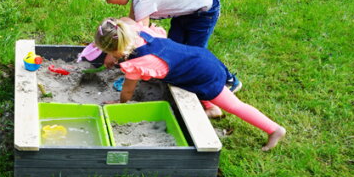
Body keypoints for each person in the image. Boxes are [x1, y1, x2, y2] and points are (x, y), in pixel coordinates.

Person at [94, 17, 285, 151]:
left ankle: (274, 129)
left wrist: (121, 104)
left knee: (234, 105)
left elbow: (128, 90)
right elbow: (127, 24)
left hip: (203, 74)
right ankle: (212, 109)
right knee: (192, 85)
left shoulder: (136, 64)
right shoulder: (138, 33)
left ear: (117, 50)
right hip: (199, 57)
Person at [86, 0, 241, 118]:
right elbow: (132, 20)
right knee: (174, 51)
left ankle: (229, 82)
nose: (108, 2)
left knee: (194, 53)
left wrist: (119, 59)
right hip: (186, 10)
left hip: (204, 9)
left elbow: (138, 38)